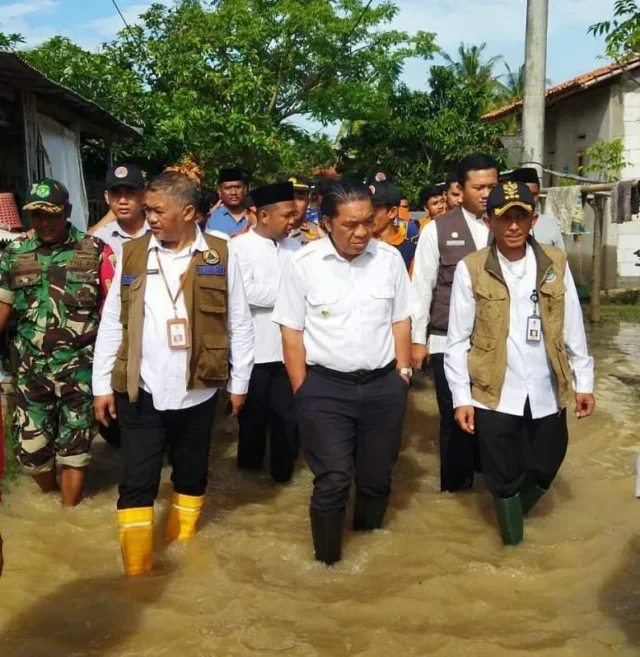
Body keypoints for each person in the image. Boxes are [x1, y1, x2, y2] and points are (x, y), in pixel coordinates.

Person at [92, 171, 254, 577]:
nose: (151, 218)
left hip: (197, 393)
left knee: (192, 475)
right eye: (147, 210)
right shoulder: (133, 254)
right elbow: (113, 322)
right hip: (141, 390)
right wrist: (100, 387)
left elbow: (240, 323)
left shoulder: (220, 254)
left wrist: (239, 383)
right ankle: (137, 576)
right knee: (136, 481)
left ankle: (182, 554)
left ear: (188, 212)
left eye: (158, 211)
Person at [445, 181, 595, 544]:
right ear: (489, 222)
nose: (513, 226)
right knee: (501, 475)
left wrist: (584, 381)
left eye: (520, 217)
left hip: (546, 384)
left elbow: (572, 320)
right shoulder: (472, 268)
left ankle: (514, 516)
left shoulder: (554, 263)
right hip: (494, 390)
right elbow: (456, 340)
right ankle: (512, 549)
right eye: (504, 218)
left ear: (533, 220)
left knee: (547, 464)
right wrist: (461, 398)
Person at [273, 181, 412, 566]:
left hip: (384, 386)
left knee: (375, 478)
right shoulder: (303, 264)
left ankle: (366, 560)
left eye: (368, 222)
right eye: (351, 224)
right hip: (325, 388)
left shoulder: (389, 260)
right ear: (326, 222)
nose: (362, 232)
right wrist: (303, 391)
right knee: (333, 479)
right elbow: (291, 333)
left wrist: (402, 374)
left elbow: (402, 319)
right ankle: (328, 566)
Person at [0, 179, 104, 506]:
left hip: (81, 372)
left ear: (68, 212)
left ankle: (68, 516)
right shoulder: (14, 255)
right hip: (30, 372)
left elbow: (114, 315)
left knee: (74, 451)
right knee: (31, 453)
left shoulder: (94, 250)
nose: (44, 222)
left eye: (52, 214)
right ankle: (50, 497)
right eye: (37, 215)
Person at [411, 153, 499, 493]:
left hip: (494, 341)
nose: (486, 193)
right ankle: (455, 492)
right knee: (454, 417)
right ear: (460, 190)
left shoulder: (507, 226)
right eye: (478, 187)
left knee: (493, 415)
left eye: (492, 186)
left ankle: (488, 484)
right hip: (446, 341)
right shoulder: (438, 229)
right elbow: (422, 286)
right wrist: (418, 341)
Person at [229, 182, 301, 482]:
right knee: (252, 426)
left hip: (291, 352)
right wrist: (295, 295)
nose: (292, 222)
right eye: (286, 215)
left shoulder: (296, 247)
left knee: (289, 424)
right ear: (263, 215)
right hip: (254, 352)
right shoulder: (238, 248)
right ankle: (248, 490)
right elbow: (246, 292)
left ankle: (283, 482)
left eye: (294, 215)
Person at [90, 164, 149, 258]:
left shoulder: (161, 230)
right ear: (106, 197)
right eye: (116, 194)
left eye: (130, 193)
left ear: (144, 195)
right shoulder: (101, 238)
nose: (122, 201)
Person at [510, 167, 565, 251]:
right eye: (524, 194)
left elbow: (561, 260)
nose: (529, 199)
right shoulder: (501, 225)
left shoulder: (550, 225)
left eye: (533, 194)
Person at [370, 180, 416, 273]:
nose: (367, 215)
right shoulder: (359, 245)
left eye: (373, 210)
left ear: (392, 212)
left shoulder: (410, 249)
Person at [277, 174, 325, 245]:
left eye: (300, 198)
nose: (294, 203)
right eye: (288, 197)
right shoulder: (265, 232)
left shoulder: (319, 234)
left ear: (308, 201)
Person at [205, 168, 250, 237]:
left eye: (237, 187)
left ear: (245, 189)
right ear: (219, 192)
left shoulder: (256, 218)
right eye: (228, 188)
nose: (233, 192)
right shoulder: (210, 220)